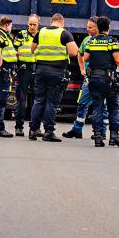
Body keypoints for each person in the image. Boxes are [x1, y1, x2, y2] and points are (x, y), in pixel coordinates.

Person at [29, 13, 78, 142]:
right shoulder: (65, 34)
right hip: (56, 72)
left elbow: (32, 50)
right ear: (62, 22)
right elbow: (74, 52)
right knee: (51, 102)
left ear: (51, 21)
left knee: (38, 100)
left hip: (40, 70)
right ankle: (49, 131)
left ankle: (33, 130)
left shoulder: (41, 32)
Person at [83, 16, 119, 147]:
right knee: (113, 108)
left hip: (94, 79)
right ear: (108, 28)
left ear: (98, 27)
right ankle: (114, 137)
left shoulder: (92, 41)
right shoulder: (112, 41)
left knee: (97, 107)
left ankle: (98, 138)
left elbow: (85, 58)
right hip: (108, 80)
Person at [63, 18, 103, 139]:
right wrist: (82, 69)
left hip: (101, 77)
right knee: (82, 103)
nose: (87, 29)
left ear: (97, 27)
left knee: (101, 105)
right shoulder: (86, 40)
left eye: (90, 27)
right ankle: (77, 129)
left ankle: (101, 132)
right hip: (89, 77)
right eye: (87, 26)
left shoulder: (104, 41)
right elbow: (79, 54)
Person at [11, 15, 39, 136]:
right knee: (21, 100)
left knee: (36, 101)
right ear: (27, 23)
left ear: (38, 24)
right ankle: (19, 127)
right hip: (24, 70)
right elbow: (13, 50)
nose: (31, 27)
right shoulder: (22, 35)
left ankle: (35, 128)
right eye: (30, 24)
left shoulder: (41, 35)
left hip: (37, 70)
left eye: (34, 24)